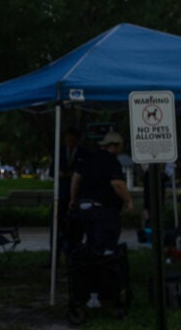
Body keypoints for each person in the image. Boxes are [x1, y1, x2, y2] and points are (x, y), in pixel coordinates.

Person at [69, 130, 133, 308]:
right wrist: (128, 201)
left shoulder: (87, 158)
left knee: (89, 249)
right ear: (115, 147)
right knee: (105, 254)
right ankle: (100, 292)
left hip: (85, 208)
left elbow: (76, 179)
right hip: (103, 212)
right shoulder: (111, 161)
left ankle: (87, 290)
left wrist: (74, 200)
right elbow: (117, 184)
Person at [49, 127, 85, 261]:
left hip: (77, 196)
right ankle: (54, 257)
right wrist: (60, 174)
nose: (69, 142)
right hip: (61, 195)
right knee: (56, 228)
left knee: (75, 230)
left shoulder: (83, 153)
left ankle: (74, 256)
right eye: (67, 139)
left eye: (72, 139)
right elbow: (52, 171)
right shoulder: (59, 153)